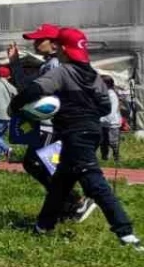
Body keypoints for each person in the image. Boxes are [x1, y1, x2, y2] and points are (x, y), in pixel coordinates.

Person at [11, 28, 141, 251]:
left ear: (61, 48)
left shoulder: (63, 72)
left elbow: (34, 90)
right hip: (91, 131)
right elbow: (104, 106)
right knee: (61, 184)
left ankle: (126, 234)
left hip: (75, 133)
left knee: (95, 183)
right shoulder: (93, 75)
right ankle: (42, 227)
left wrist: (15, 106)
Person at [7, 27, 90, 220]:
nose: (35, 44)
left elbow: (28, 88)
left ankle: (74, 202)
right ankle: (67, 204)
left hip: (52, 125)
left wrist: (15, 64)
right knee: (41, 165)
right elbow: (26, 86)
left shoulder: (54, 66)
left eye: (39, 40)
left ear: (54, 44)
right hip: (49, 124)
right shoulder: (49, 64)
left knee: (38, 163)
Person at [100, 75, 122, 161]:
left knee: (113, 142)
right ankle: (104, 158)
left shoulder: (112, 95)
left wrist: (101, 119)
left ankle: (117, 158)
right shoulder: (103, 93)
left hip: (112, 123)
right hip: (103, 123)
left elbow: (111, 112)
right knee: (103, 142)